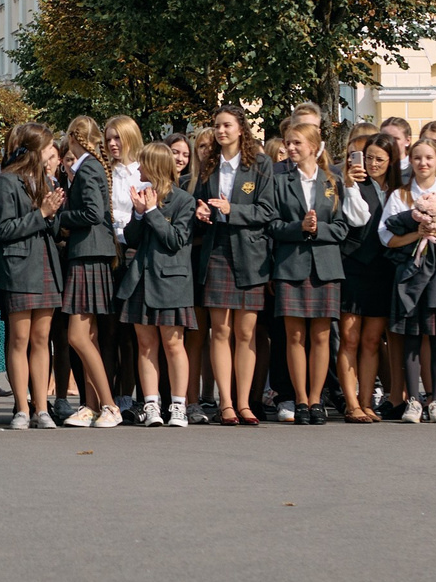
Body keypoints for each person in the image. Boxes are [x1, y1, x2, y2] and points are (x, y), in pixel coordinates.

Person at [266, 122, 362, 426]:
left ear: (313, 145)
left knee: (321, 336)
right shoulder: (279, 180)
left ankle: (317, 399)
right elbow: (272, 225)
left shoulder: (333, 180)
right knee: (294, 336)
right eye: (288, 143)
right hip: (291, 265)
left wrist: (318, 229)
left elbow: (344, 227)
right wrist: (299, 228)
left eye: (297, 143)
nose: (291, 148)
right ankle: (301, 399)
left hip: (326, 266)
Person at [380, 136, 436, 423]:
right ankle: (414, 400)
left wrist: (434, 230)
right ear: (410, 161)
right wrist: (415, 233)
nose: (423, 163)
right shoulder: (400, 195)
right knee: (412, 335)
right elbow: (387, 237)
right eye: (417, 158)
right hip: (410, 269)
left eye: (429, 157)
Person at [192, 104, 268, 427]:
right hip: (217, 250)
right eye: (217, 126)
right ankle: (225, 403)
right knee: (220, 330)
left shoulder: (259, 164)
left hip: (250, 254)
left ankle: (245, 402)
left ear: (241, 129)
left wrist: (231, 209)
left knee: (246, 332)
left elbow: (267, 211)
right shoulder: (209, 164)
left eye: (227, 126)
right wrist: (201, 210)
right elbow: (197, 199)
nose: (221, 131)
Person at [0, 123, 63, 430]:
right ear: (35, 150)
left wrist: (53, 212)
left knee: (41, 339)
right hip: (19, 266)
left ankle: (42, 408)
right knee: (19, 338)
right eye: (49, 147)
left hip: (46, 263)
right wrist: (42, 214)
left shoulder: (47, 180)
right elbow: (4, 229)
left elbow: (56, 229)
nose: (53, 152)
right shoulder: (7, 181)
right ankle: (21, 408)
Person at [121, 141, 195, 427]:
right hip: (141, 279)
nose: (139, 168)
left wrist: (151, 211)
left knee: (173, 344)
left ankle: (179, 405)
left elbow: (175, 240)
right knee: (145, 343)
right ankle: (151, 404)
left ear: (156, 166)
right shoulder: (142, 195)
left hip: (171, 282)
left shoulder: (183, 200)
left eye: (143, 163)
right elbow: (132, 238)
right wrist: (139, 213)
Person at [53, 115, 120, 427]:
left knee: (78, 336)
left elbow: (93, 212)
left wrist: (60, 215)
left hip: (89, 254)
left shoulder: (88, 165)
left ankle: (109, 405)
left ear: (74, 136)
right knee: (88, 336)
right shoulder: (89, 166)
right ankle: (92, 405)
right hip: (90, 254)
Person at [337, 134, 397, 423]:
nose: (372, 163)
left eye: (379, 159)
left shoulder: (399, 188)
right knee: (350, 338)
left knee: (373, 341)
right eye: (368, 157)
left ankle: (366, 401)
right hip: (354, 264)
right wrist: (350, 184)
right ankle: (351, 404)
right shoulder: (353, 182)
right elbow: (354, 219)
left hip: (384, 268)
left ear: (391, 162)